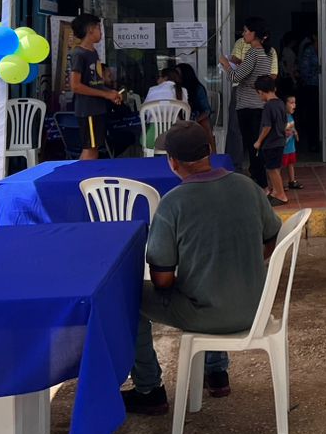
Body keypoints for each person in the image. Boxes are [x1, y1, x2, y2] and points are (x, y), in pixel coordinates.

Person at [123, 121, 282, 414]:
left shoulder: (173, 204)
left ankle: (149, 388)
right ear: (209, 150)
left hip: (208, 315)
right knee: (210, 279)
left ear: (172, 163)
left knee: (126, 299)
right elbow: (273, 238)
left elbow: (162, 280)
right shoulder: (247, 186)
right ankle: (217, 373)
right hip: (255, 309)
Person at [219, 17, 274, 188]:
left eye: (245, 31)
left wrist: (226, 64)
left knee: (252, 146)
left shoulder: (253, 52)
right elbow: (256, 75)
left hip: (248, 105)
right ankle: (261, 179)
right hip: (259, 104)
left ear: (254, 33)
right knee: (256, 144)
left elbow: (235, 77)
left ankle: (261, 182)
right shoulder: (267, 53)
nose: (243, 34)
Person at [69, 14, 122, 160]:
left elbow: (96, 82)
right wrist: (106, 95)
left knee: (95, 147)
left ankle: (88, 176)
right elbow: (76, 86)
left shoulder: (93, 52)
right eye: (99, 28)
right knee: (90, 148)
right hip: (87, 109)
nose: (101, 32)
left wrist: (111, 93)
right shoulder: (78, 53)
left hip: (98, 108)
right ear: (90, 29)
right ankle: (82, 179)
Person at [253, 75, 289, 205]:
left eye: (258, 94)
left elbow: (267, 126)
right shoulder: (280, 103)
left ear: (261, 91)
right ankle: (275, 191)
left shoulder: (268, 106)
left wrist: (259, 141)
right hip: (279, 141)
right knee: (275, 168)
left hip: (271, 142)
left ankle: (281, 194)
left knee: (272, 170)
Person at [175, 62, 214, 146]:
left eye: (178, 74)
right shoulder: (173, 88)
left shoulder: (197, 88)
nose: (175, 77)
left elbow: (206, 110)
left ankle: (212, 154)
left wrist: (195, 120)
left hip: (195, 117)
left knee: (206, 123)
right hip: (177, 118)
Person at [282, 94, 302, 190]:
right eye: (291, 102)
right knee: (281, 165)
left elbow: (292, 126)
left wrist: (296, 133)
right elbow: (283, 130)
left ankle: (292, 181)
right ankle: (280, 183)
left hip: (291, 146)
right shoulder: (282, 117)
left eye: (295, 102)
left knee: (291, 163)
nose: (294, 105)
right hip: (284, 147)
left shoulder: (290, 116)